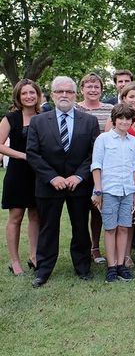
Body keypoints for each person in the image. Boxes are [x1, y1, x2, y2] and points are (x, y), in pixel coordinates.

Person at [26, 76, 100, 287]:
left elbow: (93, 153)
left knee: (80, 227)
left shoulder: (89, 121)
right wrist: (52, 177)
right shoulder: (38, 121)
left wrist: (79, 175)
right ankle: (44, 270)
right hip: (49, 185)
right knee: (48, 228)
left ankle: (83, 267)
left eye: (69, 91)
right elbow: (32, 153)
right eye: (60, 91)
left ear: (75, 95)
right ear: (52, 95)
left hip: (79, 184)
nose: (64, 95)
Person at [90, 104, 135, 283]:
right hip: (109, 190)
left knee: (124, 227)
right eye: (121, 118)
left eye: (128, 119)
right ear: (114, 120)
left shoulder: (133, 142)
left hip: (127, 190)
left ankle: (120, 265)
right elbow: (96, 166)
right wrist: (98, 191)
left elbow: (134, 168)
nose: (124, 122)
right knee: (110, 229)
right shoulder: (103, 139)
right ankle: (111, 267)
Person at [104, 82, 135, 267]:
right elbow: (107, 148)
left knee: (131, 215)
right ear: (123, 97)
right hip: (115, 176)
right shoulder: (114, 118)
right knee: (113, 217)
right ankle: (112, 258)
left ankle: (127, 254)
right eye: (132, 96)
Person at [1, 79, 42, 276]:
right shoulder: (11, 118)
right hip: (17, 173)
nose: (28, 96)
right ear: (18, 96)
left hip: (38, 173)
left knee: (35, 215)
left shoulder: (44, 116)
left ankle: (34, 256)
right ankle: (14, 261)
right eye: (24, 93)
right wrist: (23, 155)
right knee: (15, 217)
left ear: (38, 95)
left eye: (32, 93)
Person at [76, 72, 113, 265]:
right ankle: (82, 250)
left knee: (99, 211)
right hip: (80, 166)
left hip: (104, 167)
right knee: (81, 211)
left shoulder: (110, 109)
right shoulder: (75, 108)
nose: (93, 90)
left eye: (96, 86)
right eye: (89, 86)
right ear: (82, 89)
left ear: (101, 89)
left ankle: (96, 247)